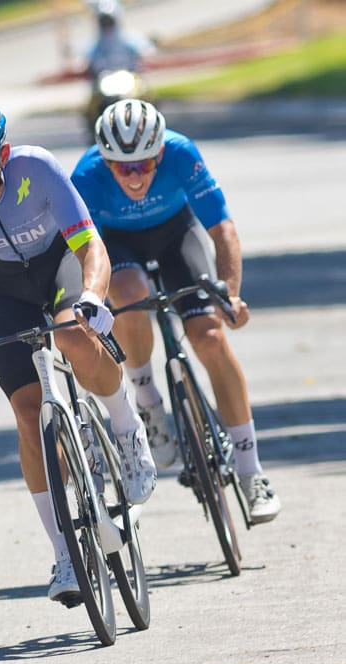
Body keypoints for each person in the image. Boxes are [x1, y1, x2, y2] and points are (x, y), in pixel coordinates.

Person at [0, 97, 155, 605]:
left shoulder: (38, 167)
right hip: (0, 285)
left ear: (2, 156)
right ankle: (65, 553)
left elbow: (91, 246)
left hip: (59, 265)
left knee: (73, 335)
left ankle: (127, 424)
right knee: (28, 416)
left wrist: (92, 296)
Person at [71, 99, 281, 524]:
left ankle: (251, 472)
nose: (134, 177)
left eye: (144, 165)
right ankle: (149, 403)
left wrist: (231, 295)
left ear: (161, 153)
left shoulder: (183, 152)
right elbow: (82, 253)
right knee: (129, 293)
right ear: (104, 160)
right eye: (121, 167)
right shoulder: (86, 177)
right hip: (118, 243)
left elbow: (221, 228)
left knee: (211, 338)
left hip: (175, 235)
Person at [84, 0, 154, 81]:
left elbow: (145, 55)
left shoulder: (131, 40)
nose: (107, 26)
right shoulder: (94, 47)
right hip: (106, 83)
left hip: (132, 81)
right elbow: (87, 63)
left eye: (109, 22)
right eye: (104, 23)